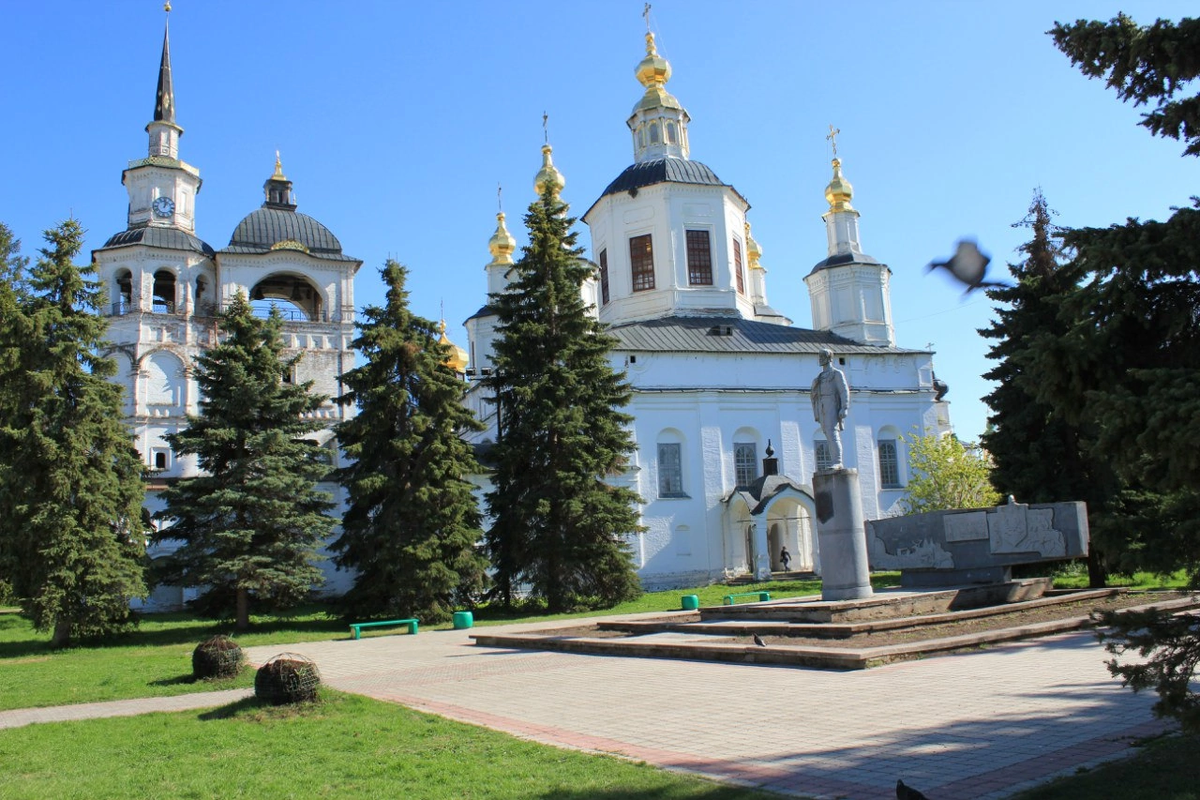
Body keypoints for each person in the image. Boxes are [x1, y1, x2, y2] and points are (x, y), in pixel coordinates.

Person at [810, 347, 850, 469]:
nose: (820, 359)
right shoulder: (820, 377)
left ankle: (838, 461)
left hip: (831, 402)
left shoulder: (836, 374)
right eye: (819, 357)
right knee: (827, 433)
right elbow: (814, 393)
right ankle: (834, 460)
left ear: (829, 358)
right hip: (822, 404)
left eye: (822, 357)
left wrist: (844, 407)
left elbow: (844, 391)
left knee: (833, 432)